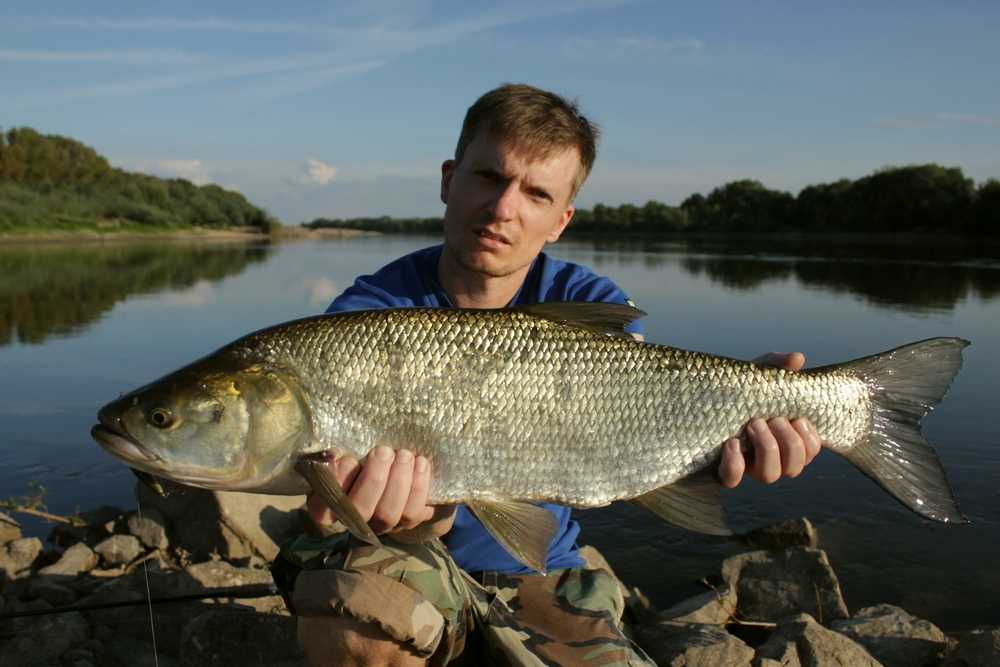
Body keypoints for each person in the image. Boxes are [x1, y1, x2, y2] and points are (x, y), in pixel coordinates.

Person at [292, 83, 822, 666]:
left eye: (536, 193)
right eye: (489, 178)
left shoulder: (586, 300)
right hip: (406, 552)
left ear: (561, 219)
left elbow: (635, 429)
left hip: (543, 566)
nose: (503, 209)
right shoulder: (365, 319)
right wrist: (399, 512)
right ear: (449, 180)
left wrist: (744, 410)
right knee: (357, 629)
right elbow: (335, 505)